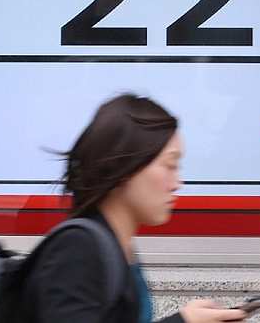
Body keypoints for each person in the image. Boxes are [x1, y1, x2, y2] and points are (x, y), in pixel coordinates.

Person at [20, 94, 247, 323]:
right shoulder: (77, 249)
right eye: (169, 165)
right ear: (127, 167)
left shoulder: (120, 247)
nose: (177, 183)